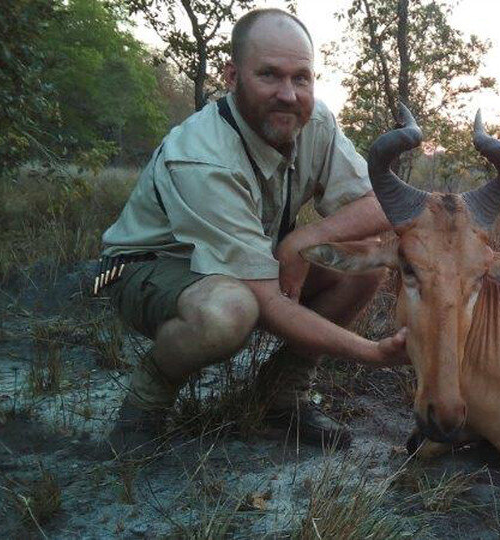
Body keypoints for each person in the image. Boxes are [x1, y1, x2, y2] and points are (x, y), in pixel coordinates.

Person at [97, 8, 408, 457]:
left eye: (302, 78)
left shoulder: (315, 121)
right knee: (229, 310)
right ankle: (142, 409)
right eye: (269, 76)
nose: (288, 94)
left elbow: (380, 200)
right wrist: (372, 353)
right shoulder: (201, 155)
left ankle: (282, 397)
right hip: (150, 267)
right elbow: (265, 299)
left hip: (246, 260)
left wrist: (302, 239)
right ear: (232, 75)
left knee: (364, 260)